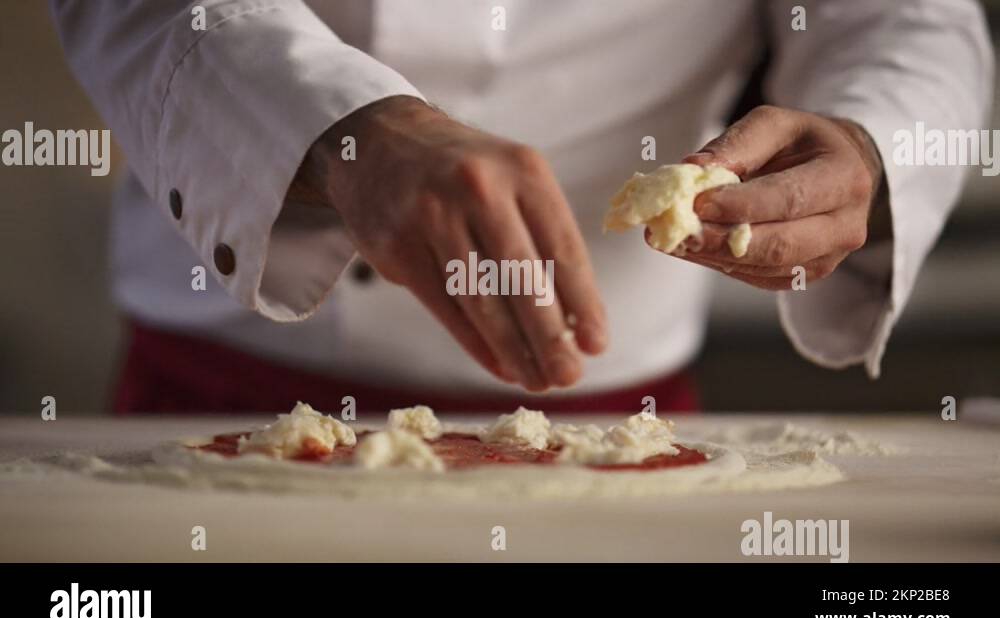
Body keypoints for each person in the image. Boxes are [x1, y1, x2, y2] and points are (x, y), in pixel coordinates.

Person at [50, 0, 992, 413]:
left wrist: (874, 137)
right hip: (224, 386)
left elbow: (904, 14)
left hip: (620, 421)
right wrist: (340, 127)